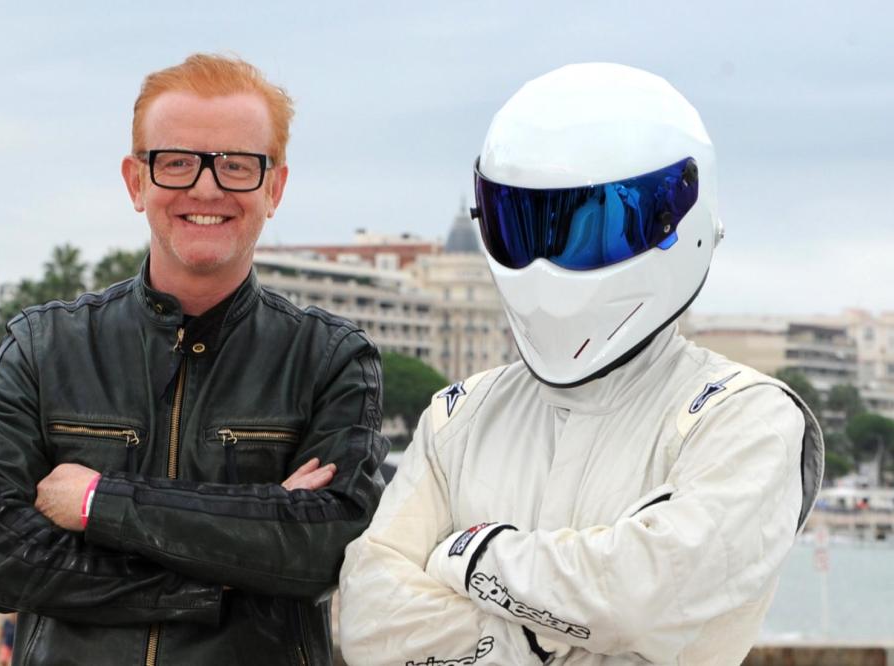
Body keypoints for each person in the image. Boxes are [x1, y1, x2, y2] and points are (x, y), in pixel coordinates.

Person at [339, 63, 824, 665]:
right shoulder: (460, 415)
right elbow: (368, 618)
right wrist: (556, 636)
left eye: (592, 225)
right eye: (523, 223)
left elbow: (641, 600)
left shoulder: (748, 418)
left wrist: (465, 556)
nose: (547, 262)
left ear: (676, 213)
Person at [0, 53, 388, 665]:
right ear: (137, 182)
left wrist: (97, 502)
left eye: (236, 165)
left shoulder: (331, 359)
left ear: (274, 188)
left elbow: (325, 550)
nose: (206, 188)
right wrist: (226, 568)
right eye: (177, 162)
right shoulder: (43, 347)